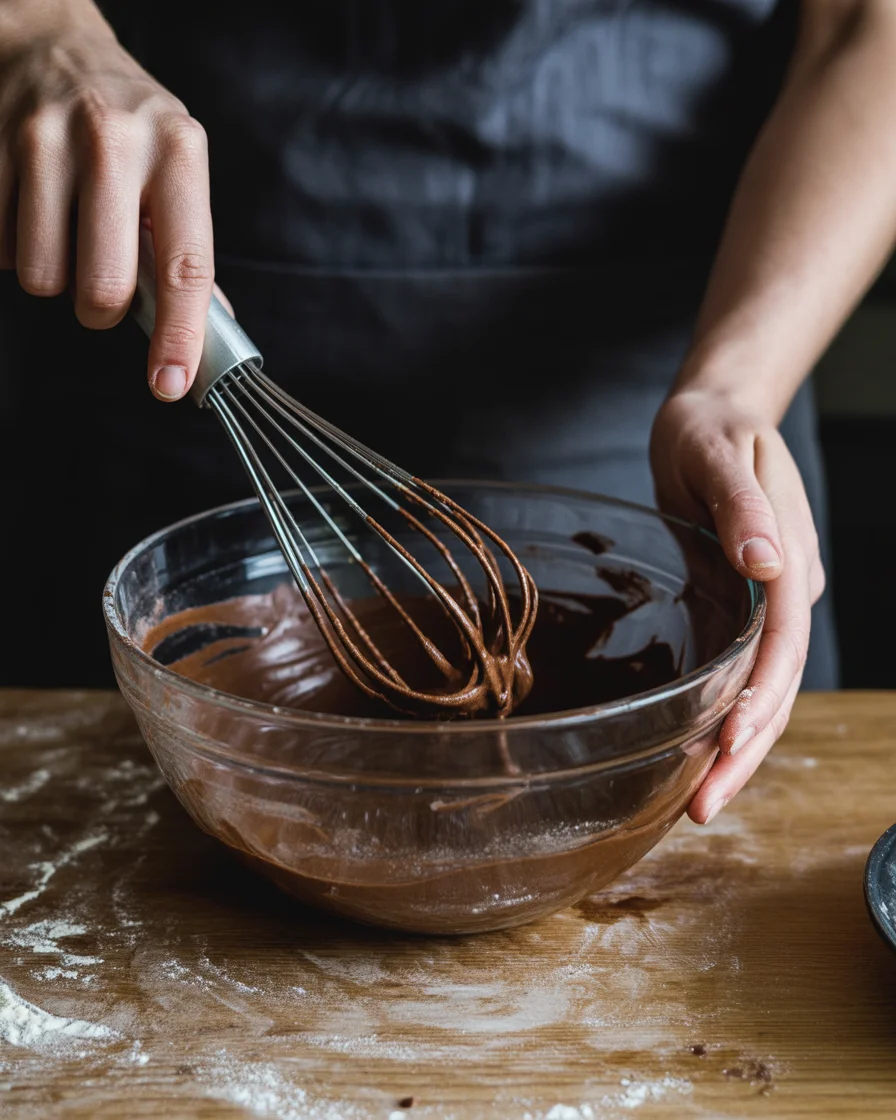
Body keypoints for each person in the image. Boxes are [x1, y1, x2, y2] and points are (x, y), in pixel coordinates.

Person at [1, 0, 892, 825]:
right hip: (175, 341)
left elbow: (868, 28)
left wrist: (736, 384)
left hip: (673, 372)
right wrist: (35, 27)